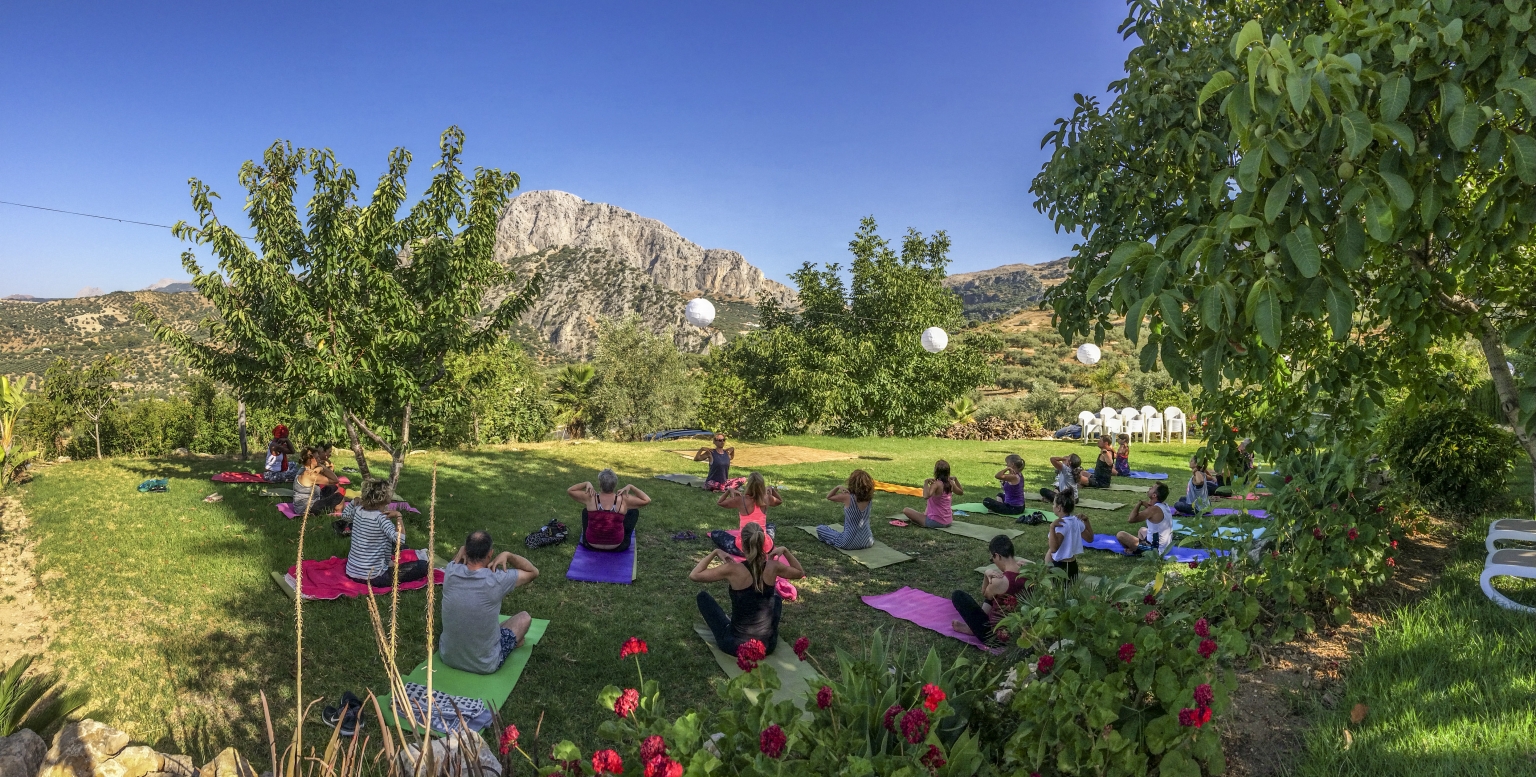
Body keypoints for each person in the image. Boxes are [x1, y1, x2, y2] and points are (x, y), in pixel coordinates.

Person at [690, 522, 805, 656]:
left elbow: (694, 575)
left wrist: (715, 552)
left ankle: (733, 625)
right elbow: (799, 572)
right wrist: (785, 550)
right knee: (776, 599)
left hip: (736, 645)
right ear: (763, 543)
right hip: (767, 646)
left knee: (703, 597)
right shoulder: (773, 566)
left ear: (742, 544)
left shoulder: (732, 569)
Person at [439, 530, 540, 674]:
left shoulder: (450, 570)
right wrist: (508, 555)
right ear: (490, 553)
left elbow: (457, 560)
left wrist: (462, 549)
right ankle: (513, 642)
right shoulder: (497, 579)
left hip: (448, 657)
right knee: (524, 617)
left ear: (466, 551)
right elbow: (533, 572)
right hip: (485, 664)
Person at [343, 478, 429, 587]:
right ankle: (388, 565)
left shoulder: (358, 509)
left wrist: (353, 501)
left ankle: (387, 563)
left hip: (352, 572)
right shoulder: (381, 519)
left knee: (387, 540)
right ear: (386, 498)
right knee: (423, 566)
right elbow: (400, 539)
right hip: (374, 577)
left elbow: (345, 516)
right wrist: (399, 516)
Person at [951, 535, 1029, 643]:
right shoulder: (1028, 570)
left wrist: (986, 575)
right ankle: (974, 628)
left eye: (992, 559)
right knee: (997, 594)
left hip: (996, 637)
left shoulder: (999, 582)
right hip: (1025, 630)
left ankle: (974, 629)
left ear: (997, 556)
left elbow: (985, 593)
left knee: (958, 596)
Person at [566, 469, 650, 551]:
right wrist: (631, 487)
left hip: (590, 545)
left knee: (586, 511)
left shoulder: (591, 498)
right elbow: (647, 500)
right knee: (633, 511)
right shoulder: (623, 500)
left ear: (600, 484)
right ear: (614, 485)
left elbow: (570, 490)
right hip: (618, 546)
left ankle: (589, 532)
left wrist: (586, 483)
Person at [710, 472, 782, 556]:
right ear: (762, 485)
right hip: (765, 547)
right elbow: (779, 501)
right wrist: (772, 489)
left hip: (743, 549)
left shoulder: (741, 499)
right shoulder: (766, 498)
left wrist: (729, 490)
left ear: (748, 485)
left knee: (715, 533)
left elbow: (720, 502)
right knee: (771, 525)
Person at [816, 469, 875, 550]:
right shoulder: (869, 498)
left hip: (848, 542)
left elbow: (829, 497)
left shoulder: (847, 497)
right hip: (868, 541)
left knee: (820, 528)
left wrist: (838, 487)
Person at [1115, 483, 1174, 555]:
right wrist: (1146, 504)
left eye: (1152, 488)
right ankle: (1140, 548)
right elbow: (1153, 511)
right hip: (1166, 547)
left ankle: (1139, 551)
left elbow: (1131, 519)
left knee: (1120, 535)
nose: (1149, 488)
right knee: (1142, 530)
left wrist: (1139, 503)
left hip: (1156, 550)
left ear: (1154, 495)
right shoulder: (1164, 505)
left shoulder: (1153, 509)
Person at [901, 460, 962, 528]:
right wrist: (956, 480)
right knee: (929, 505)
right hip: (948, 521)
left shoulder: (936, 484)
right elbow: (961, 492)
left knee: (906, 510)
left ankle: (922, 521)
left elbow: (925, 496)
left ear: (936, 471)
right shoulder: (950, 483)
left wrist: (926, 483)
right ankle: (924, 517)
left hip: (935, 522)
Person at [1045, 491, 1091, 579]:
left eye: (1054, 504)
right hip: (1073, 565)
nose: (1052, 506)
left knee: (1058, 592)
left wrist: (1051, 528)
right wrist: (1086, 521)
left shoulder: (1060, 525)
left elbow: (1053, 548)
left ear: (1058, 508)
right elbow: (1090, 538)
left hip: (1060, 567)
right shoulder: (1076, 521)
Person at [292, 446, 346, 517]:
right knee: (339, 495)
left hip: (307, 502)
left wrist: (320, 467)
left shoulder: (304, 469)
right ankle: (338, 513)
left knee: (332, 488)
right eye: (317, 458)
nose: (319, 459)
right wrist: (321, 468)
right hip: (307, 508)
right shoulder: (309, 475)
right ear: (311, 460)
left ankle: (339, 507)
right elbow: (335, 480)